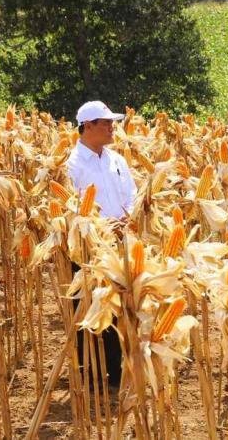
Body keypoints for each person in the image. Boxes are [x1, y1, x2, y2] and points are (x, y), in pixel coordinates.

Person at [66, 100, 136, 388]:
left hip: (121, 243)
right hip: (88, 248)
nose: (112, 127)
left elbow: (132, 193)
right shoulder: (70, 164)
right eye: (106, 123)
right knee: (90, 309)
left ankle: (118, 370)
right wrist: (101, 227)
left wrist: (129, 219)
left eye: (112, 122)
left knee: (119, 306)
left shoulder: (117, 160)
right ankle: (92, 372)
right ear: (88, 126)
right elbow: (69, 207)